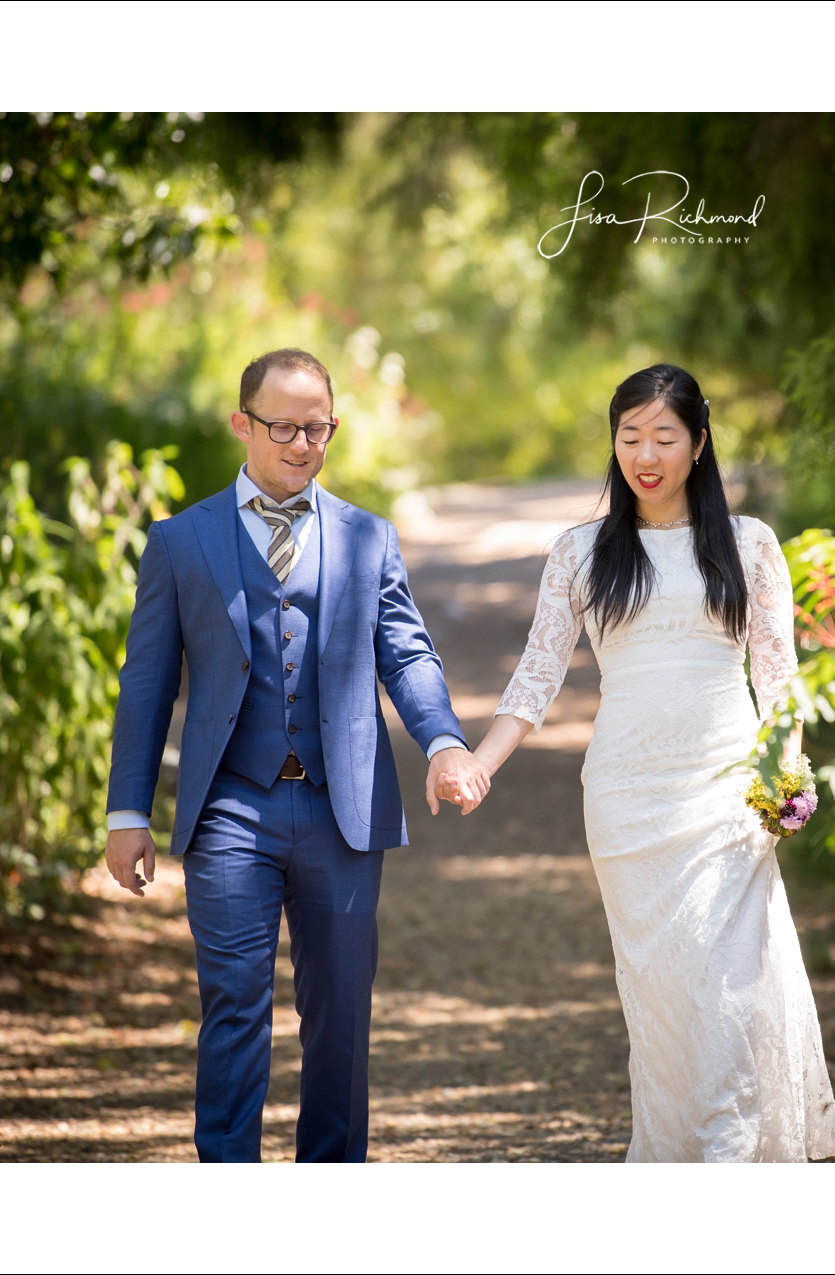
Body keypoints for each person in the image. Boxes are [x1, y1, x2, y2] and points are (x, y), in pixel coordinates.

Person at [447, 364, 835, 1161]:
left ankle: (729, 1166)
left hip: (729, 794)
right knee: (664, 1003)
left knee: (730, 995)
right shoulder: (582, 551)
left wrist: (787, 775)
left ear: (698, 444)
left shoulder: (750, 544)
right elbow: (537, 672)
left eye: (664, 435)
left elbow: (780, 680)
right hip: (628, 802)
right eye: (630, 436)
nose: (646, 453)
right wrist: (478, 760)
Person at [103, 347, 490, 1163]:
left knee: (343, 1017)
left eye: (319, 428)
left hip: (340, 809)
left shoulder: (368, 537)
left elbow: (408, 654)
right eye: (284, 427)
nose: (303, 444)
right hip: (229, 809)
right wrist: (128, 811)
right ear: (243, 424)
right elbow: (146, 686)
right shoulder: (180, 542)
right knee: (235, 1007)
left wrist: (444, 739)